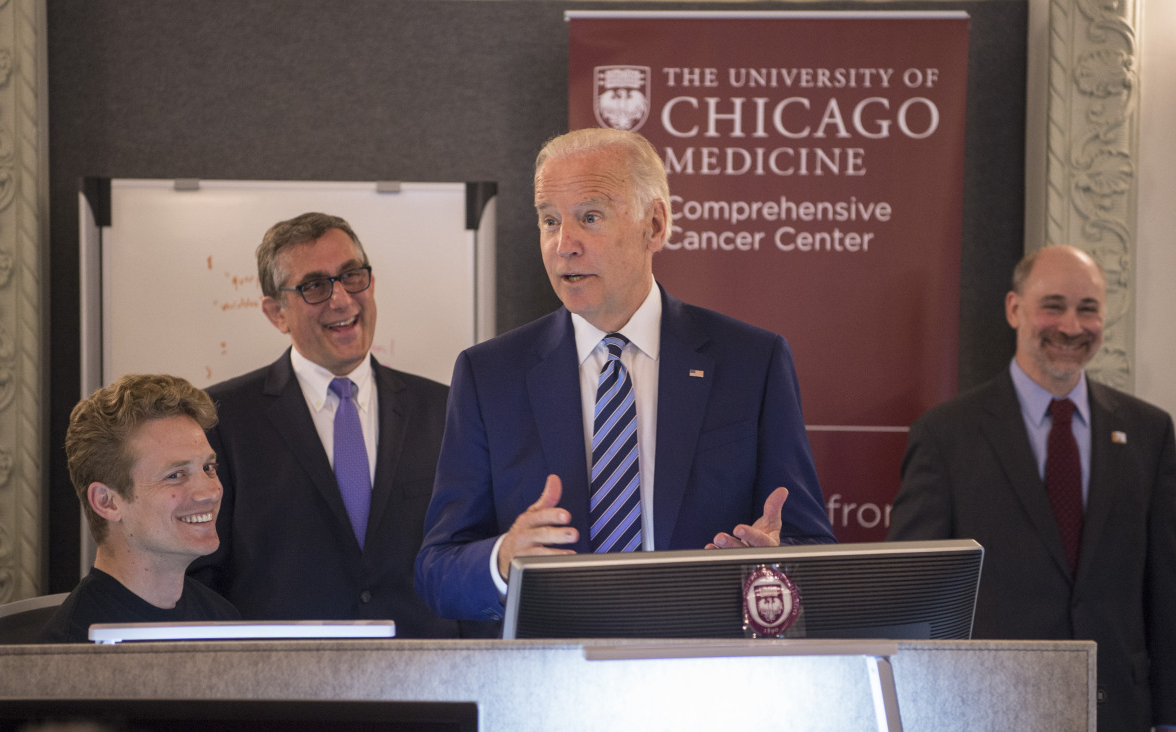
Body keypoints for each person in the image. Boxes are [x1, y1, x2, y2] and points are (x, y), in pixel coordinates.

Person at [415, 128, 835, 623]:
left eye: (589, 218)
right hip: (551, 680)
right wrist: (504, 560)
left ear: (654, 225)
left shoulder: (751, 362)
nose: (563, 245)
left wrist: (771, 563)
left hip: (706, 678)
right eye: (549, 221)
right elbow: (436, 571)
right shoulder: (490, 376)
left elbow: (810, 546)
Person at [886, 245, 1176, 731]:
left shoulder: (1148, 431)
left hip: (1117, 712)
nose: (1071, 326)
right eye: (1053, 305)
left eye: (1087, 309)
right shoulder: (946, 435)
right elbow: (916, 591)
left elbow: (1169, 591)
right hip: (988, 711)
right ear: (1015, 309)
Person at [187, 212, 486, 638]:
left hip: (425, 683)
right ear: (277, 313)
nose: (342, 299)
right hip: (284, 689)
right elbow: (202, 575)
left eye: (351, 276)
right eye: (314, 286)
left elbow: (469, 556)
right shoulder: (221, 419)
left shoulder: (446, 409)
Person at [42, 374, 240, 643]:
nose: (210, 492)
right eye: (175, 475)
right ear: (106, 502)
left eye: (209, 468)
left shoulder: (221, 617)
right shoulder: (74, 651)